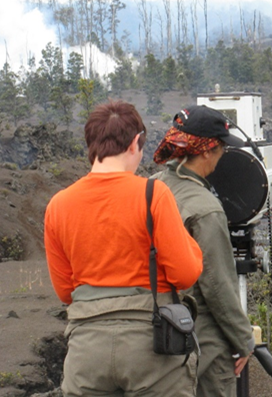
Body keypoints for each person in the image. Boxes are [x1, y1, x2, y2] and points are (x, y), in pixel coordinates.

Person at [44, 100, 203, 397]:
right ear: (134, 143)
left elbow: (66, 292)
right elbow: (185, 274)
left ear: (91, 144)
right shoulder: (153, 194)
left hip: (86, 349)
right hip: (150, 346)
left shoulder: (58, 205)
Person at [153, 104, 256, 397]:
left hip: (158, 321)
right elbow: (218, 285)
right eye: (222, 148)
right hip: (201, 331)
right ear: (207, 151)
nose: (224, 155)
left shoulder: (152, 185)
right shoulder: (206, 210)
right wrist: (243, 340)